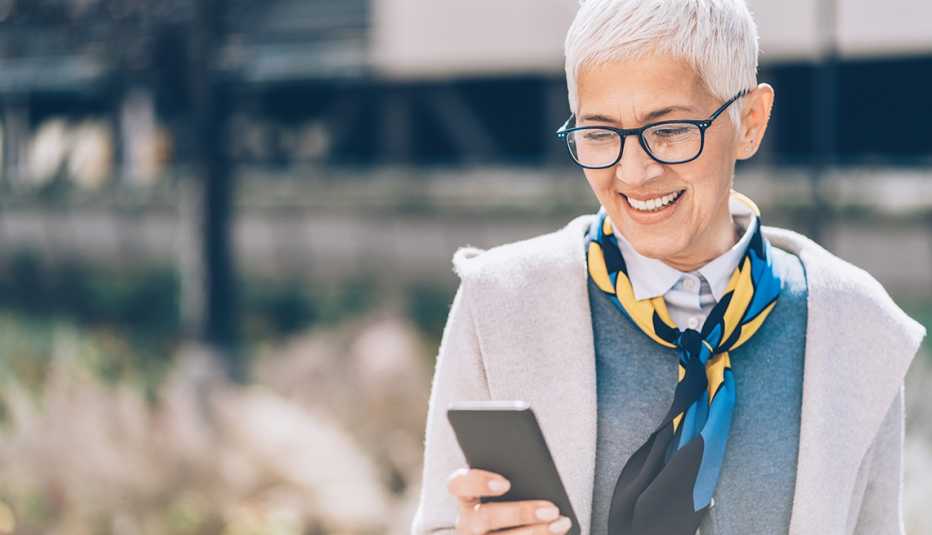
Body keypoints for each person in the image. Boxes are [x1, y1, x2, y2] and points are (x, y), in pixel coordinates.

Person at [410, 1, 926, 534]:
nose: (633, 171)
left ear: (750, 122)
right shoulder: (499, 306)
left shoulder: (858, 331)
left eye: (672, 130)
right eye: (600, 133)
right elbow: (440, 524)